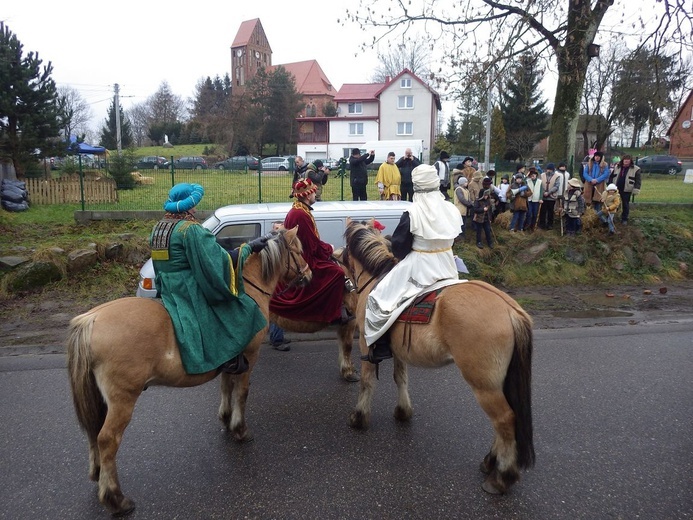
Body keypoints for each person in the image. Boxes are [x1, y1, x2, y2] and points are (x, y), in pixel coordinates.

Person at [149, 183, 267, 375]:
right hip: (187, 289)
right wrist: (248, 248)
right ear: (187, 205)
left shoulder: (159, 227)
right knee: (240, 308)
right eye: (194, 204)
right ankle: (230, 358)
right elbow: (216, 261)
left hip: (167, 287)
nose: (195, 208)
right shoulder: (190, 230)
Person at [363, 164, 463, 364]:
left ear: (416, 187)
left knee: (379, 296)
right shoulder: (451, 209)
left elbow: (399, 249)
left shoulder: (412, 212)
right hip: (447, 265)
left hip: (420, 267)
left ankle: (381, 345)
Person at [270, 178, 354, 324]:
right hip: (306, 257)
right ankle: (334, 313)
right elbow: (312, 245)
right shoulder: (300, 214)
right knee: (337, 273)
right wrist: (329, 248)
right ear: (308, 196)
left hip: (305, 252)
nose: (315, 195)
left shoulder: (299, 209)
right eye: (314, 192)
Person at [268, 221, 291, 351]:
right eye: (276, 228)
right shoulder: (276, 246)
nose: (278, 230)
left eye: (280, 228)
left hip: (276, 284)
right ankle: (277, 340)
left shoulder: (276, 244)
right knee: (277, 312)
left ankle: (277, 337)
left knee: (276, 313)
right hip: (275, 286)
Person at [610, 154, 641, 225]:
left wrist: (636, 189)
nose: (626, 161)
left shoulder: (636, 169)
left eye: (628, 159)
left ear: (630, 161)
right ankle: (613, 217)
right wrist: (610, 185)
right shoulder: (617, 167)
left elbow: (638, 180)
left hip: (627, 189)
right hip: (616, 189)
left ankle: (624, 219)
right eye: (625, 159)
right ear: (622, 160)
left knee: (625, 204)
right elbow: (611, 177)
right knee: (614, 203)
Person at [538, 163, 562, 230]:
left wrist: (548, 192)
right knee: (542, 211)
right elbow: (539, 184)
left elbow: (556, 186)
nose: (549, 171)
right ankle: (542, 224)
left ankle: (550, 224)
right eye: (548, 169)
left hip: (551, 197)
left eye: (550, 169)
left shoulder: (557, 176)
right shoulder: (542, 175)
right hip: (543, 197)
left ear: (553, 170)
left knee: (550, 211)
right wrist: (543, 192)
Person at [453, 176, 474, 241]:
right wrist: (469, 204)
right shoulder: (458, 189)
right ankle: (458, 238)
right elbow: (462, 199)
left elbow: (468, 199)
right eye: (466, 182)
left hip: (465, 211)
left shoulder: (466, 190)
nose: (467, 183)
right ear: (462, 183)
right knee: (460, 225)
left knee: (464, 225)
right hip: (459, 210)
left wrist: (471, 203)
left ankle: (462, 237)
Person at [524, 167, 543, 232]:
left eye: (533, 175)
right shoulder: (527, 181)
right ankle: (527, 226)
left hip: (536, 200)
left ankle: (533, 226)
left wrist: (540, 198)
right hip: (529, 200)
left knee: (535, 214)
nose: (532, 177)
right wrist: (526, 176)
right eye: (531, 175)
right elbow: (523, 182)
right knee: (529, 214)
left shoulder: (540, 182)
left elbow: (541, 191)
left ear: (536, 175)